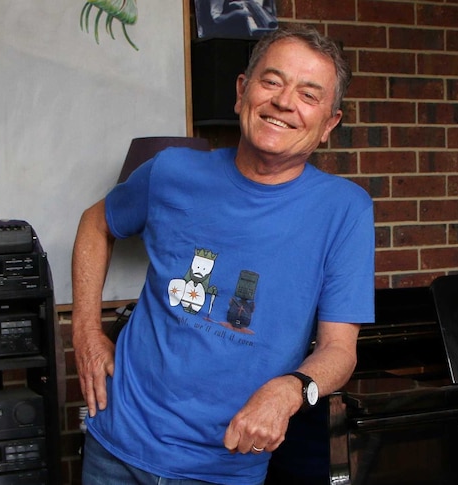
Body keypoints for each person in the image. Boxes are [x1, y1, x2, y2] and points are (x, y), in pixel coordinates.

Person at [71, 24, 375, 485]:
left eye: (309, 95)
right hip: (117, 446)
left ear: (329, 124)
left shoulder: (345, 210)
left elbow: (339, 351)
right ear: (242, 92)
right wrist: (86, 332)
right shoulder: (172, 170)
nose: (284, 102)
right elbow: (96, 223)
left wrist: (289, 390)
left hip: (225, 466)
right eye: (272, 81)